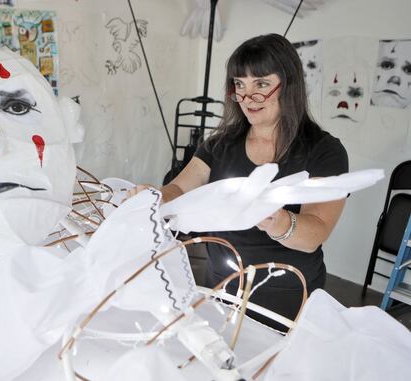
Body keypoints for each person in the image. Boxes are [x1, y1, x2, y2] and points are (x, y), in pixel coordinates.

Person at [132, 33, 348, 330]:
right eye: (239, 85)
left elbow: (314, 235)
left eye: (261, 85)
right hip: (221, 288)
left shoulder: (324, 151)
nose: (247, 99)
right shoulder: (220, 143)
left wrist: (277, 219)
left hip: (285, 297)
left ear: (289, 85)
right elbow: (180, 187)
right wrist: (156, 195)